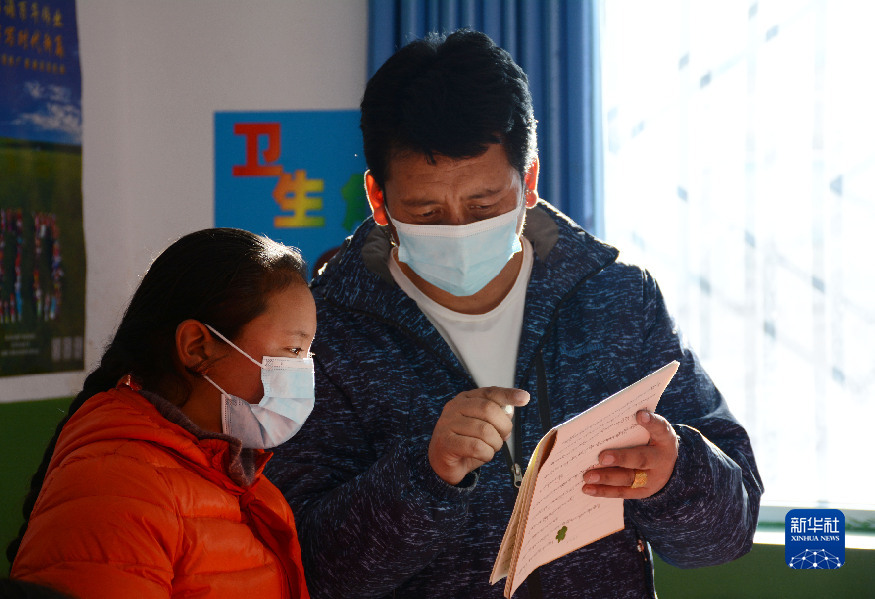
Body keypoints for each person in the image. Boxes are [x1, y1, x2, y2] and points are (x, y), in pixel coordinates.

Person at [266, 29, 763, 598]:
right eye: (426, 212)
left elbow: (728, 535)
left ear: (528, 181)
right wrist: (425, 477)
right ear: (378, 198)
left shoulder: (620, 301)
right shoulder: (322, 334)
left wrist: (676, 477)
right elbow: (307, 571)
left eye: (484, 206)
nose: (459, 230)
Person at [8, 228, 315, 599]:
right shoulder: (117, 487)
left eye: (307, 353)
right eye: (293, 350)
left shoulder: (243, 481)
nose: (304, 370)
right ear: (196, 347)